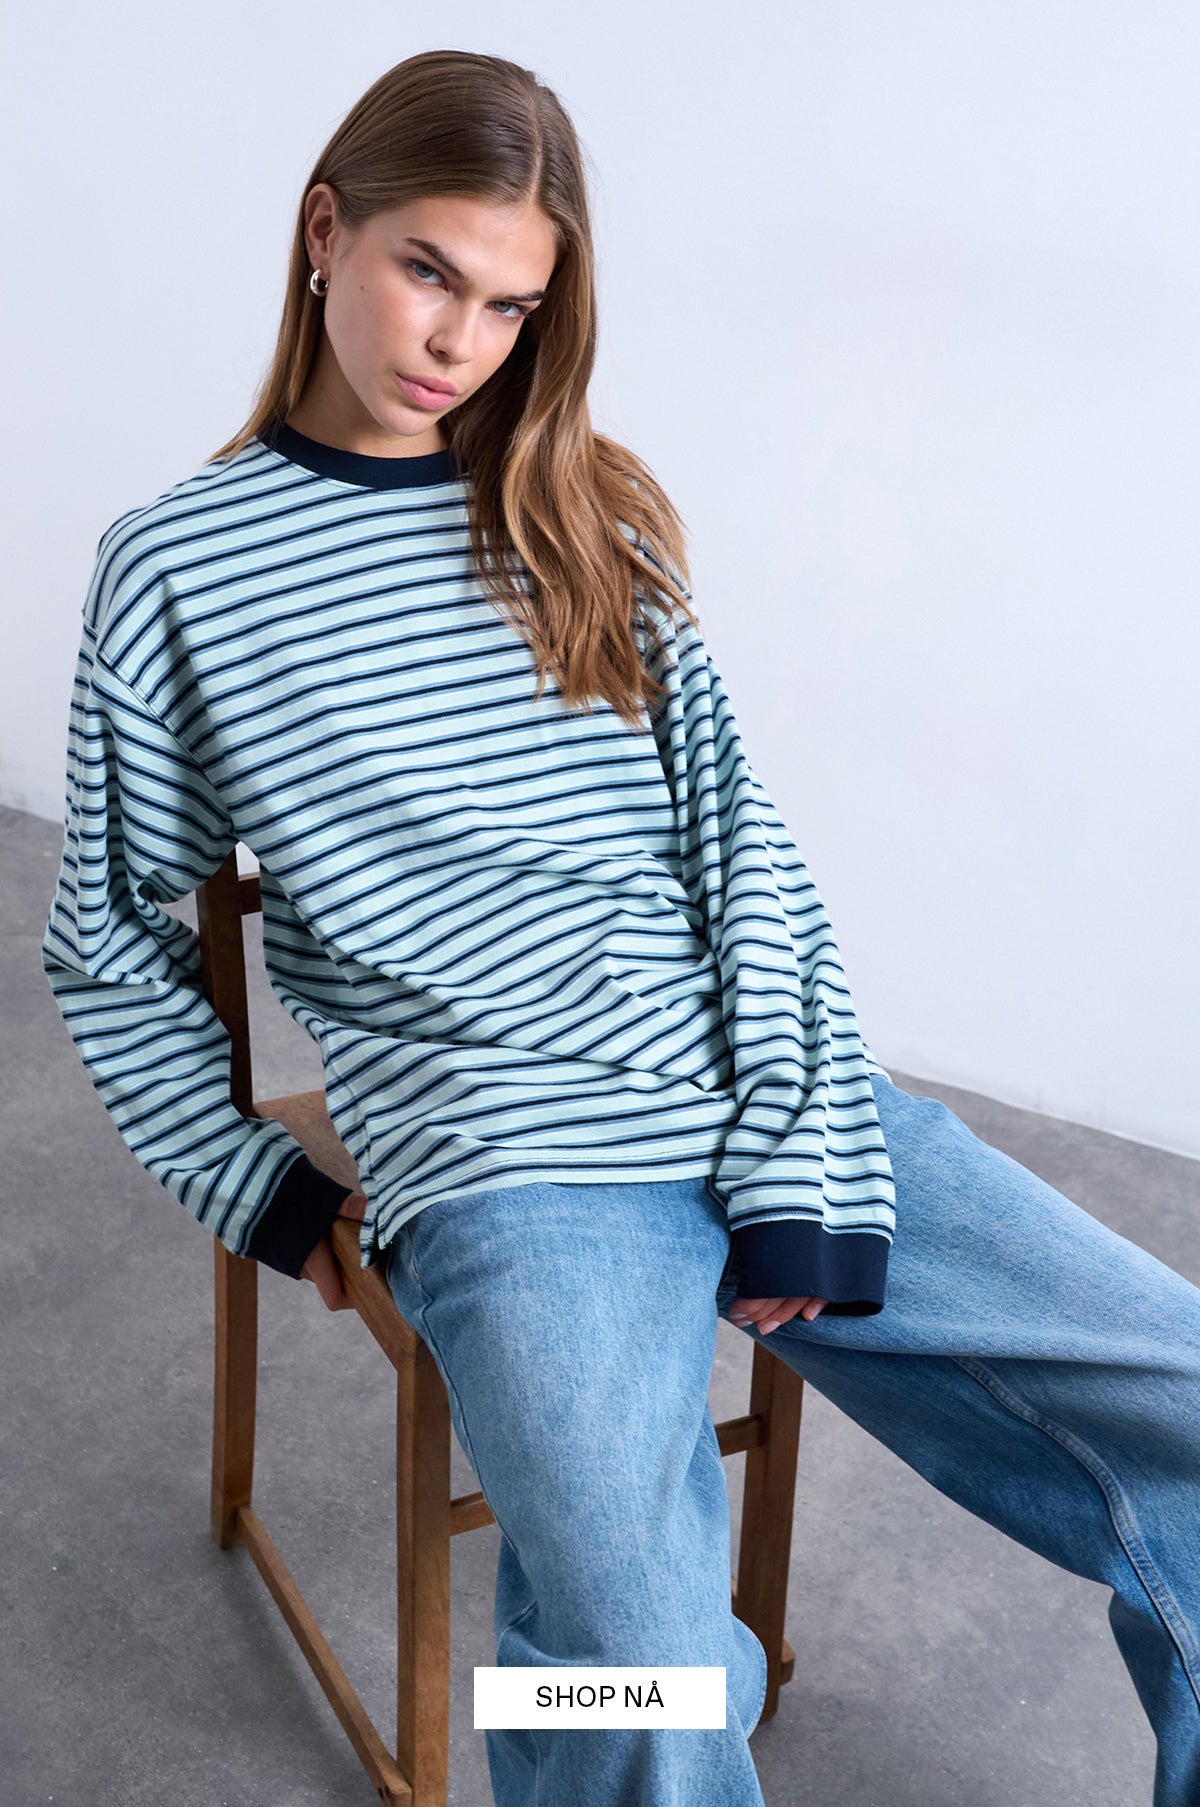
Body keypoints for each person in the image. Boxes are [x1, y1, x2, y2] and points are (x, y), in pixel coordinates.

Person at [41, 48, 1200, 1807]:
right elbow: (110, 934)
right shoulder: (180, 568)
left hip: (758, 1087)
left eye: (511, 306)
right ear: (324, 229)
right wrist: (255, 1185)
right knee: (637, 1665)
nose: (459, 340)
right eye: (430, 270)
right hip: (511, 1166)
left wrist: (803, 1145)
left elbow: (747, 857)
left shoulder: (578, 512)